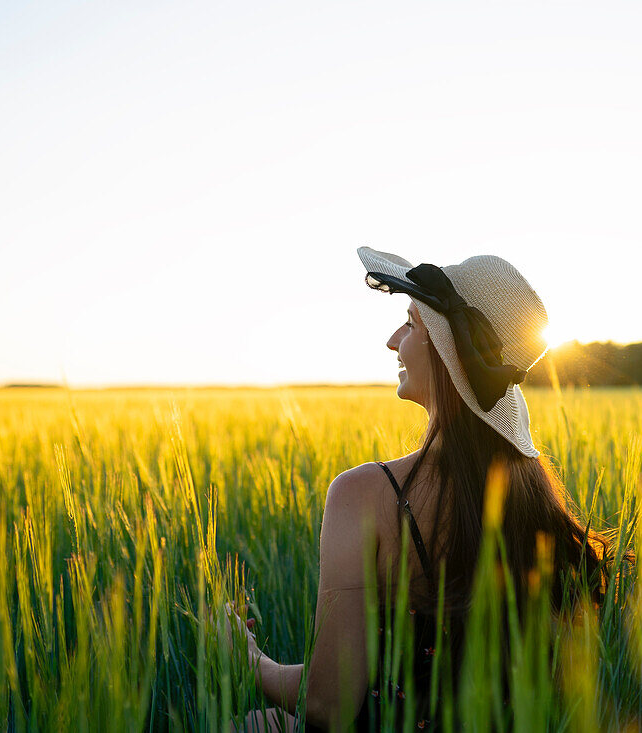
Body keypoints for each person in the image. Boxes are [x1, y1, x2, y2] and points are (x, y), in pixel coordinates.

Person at [225, 247, 613, 731]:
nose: (393, 341)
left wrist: (248, 658)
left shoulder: (363, 495)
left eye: (410, 324)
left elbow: (330, 705)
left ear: (446, 354)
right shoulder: (535, 494)